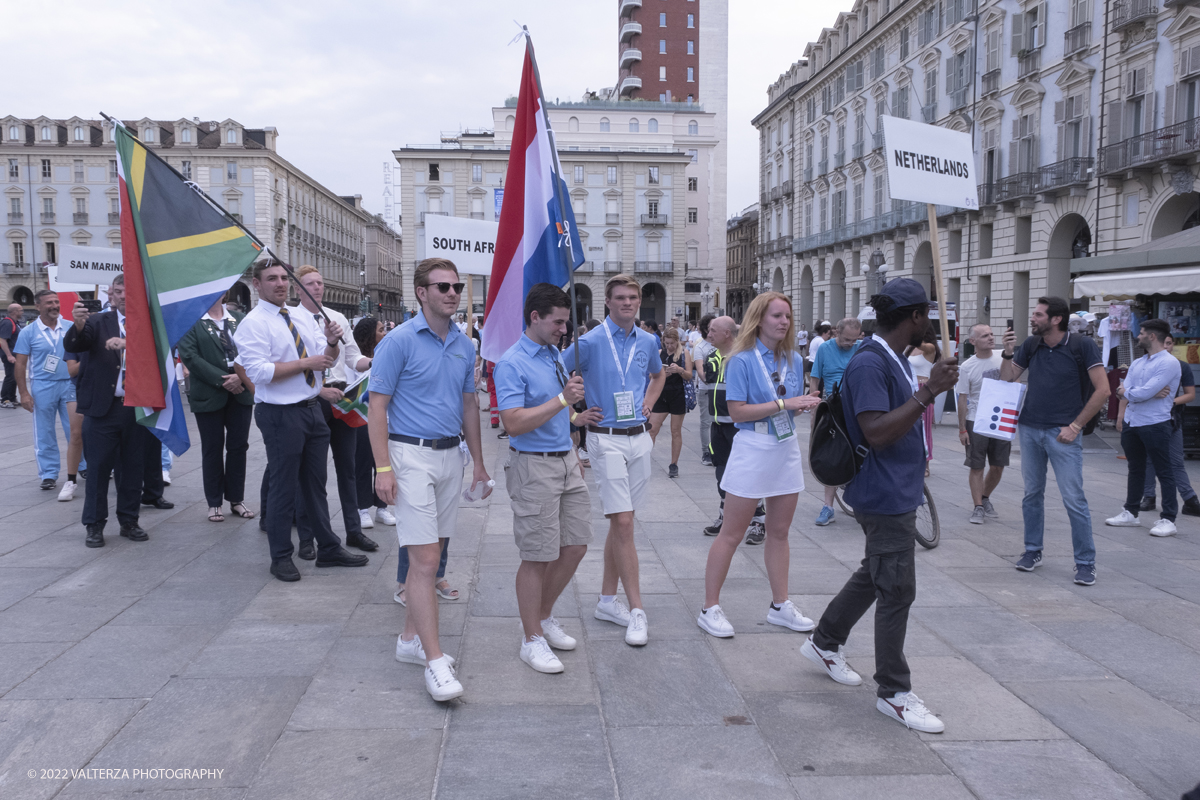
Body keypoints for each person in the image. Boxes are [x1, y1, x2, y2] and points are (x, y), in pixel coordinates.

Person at [801, 279, 958, 734]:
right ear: (913, 317)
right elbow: (876, 431)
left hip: (897, 487)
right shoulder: (870, 363)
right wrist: (928, 393)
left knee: (876, 573)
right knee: (897, 590)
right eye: (926, 313)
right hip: (883, 492)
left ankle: (825, 640)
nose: (930, 321)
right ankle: (894, 692)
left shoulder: (893, 358)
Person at [369, 257, 490, 702]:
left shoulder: (464, 344)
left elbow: (470, 406)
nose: (452, 293)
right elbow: (376, 407)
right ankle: (435, 661)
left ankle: (409, 642)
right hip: (408, 455)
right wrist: (383, 468)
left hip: (449, 456)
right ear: (421, 292)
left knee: (434, 554)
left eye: (456, 286)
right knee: (423, 562)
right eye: (443, 287)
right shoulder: (398, 341)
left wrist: (478, 462)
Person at [234, 258, 370, 582]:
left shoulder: (298, 316)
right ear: (257, 284)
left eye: (283, 277)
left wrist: (333, 342)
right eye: (272, 279)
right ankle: (281, 555)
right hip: (281, 413)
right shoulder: (253, 324)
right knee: (284, 485)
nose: (280, 283)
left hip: (311, 407)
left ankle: (327, 547)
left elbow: (326, 361)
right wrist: (305, 361)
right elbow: (259, 373)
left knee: (315, 483)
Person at [697, 293, 821, 639]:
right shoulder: (741, 360)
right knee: (733, 532)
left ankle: (780, 604)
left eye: (787, 316)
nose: (783, 322)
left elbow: (789, 407)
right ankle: (710, 606)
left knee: (779, 532)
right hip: (752, 446)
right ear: (759, 318)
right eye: (776, 316)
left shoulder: (794, 360)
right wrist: (785, 402)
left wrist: (804, 405)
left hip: (784, 445)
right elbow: (736, 411)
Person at [495, 284, 603, 673]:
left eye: (566, 321)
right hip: (532, 465)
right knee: (537, 555)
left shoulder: (555, 354)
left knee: (575, 545)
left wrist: (575, 417)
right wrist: (562, 400)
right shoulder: (512, 362)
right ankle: (531, 639)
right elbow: (513, 423)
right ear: (534, 318)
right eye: (557, 322)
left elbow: (557, 409)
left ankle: (542, 617)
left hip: (566, 460)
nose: (564, 328)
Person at [563, 273, 666, 647]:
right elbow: (554, 377)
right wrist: (573, 415)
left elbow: (658, 376)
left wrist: (649, 404)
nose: (627, 303)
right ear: (607, 302)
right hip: (605, 440)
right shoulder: (587, 342)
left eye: (633, 298)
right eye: (620, 298)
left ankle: (607, 600)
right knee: (623, 523)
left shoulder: (649, 340)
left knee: (623, 522)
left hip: (639, 438)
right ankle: (636, 609)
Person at [1001, 296, 1109, 586]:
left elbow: (1103, 390)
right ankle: (1032, 551)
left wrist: (1075, 426)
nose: (1032, 318)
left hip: (1063, 432)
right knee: (1031, 494)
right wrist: (1008, 353)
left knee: (1074, 499)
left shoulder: (1081, 346)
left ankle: (1085, 563)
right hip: (1030, 428)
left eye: (1037, 314)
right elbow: (1008, 379)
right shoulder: (1031, 344)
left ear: (1056, 319)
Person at [292, 265, 378, 557]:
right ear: (298, 289)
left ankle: (353, 531)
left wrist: (375, 362)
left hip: (343, 397)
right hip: (312, 399)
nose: (316, 287)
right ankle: (307, 538)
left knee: (349, 468)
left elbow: (354, 358)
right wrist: (319, 391)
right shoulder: (291, 319)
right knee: (312, 473)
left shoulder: (338, 317)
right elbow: (294, 368)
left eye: (319, 282)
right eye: (310, 283)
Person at [63, 276, 149, 548]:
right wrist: (78, 323)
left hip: (136, 407)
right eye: (119, 291)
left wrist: (130, 344)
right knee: (99, 468)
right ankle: (94, 524)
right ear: (111, 293)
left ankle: (129, 520)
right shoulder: (96, 321)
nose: (124, 296)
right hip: (103, 409)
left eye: (130, 291)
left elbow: (160, 352)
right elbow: (77, 343)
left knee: (133, 468)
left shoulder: (147, 324)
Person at [177, 294, 255, 523]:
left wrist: (240, 378)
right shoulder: (191, 320)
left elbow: (254, 351)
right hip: (209, 393)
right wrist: (223, 380)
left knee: (239, 446)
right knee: (212, 448)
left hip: (241, 392)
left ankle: (236, 499)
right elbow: (190, 357)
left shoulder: (240, 318)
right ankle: (214, 502)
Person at [1105, 318, 1182, 537]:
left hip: (1156, 423)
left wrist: (1133, 393)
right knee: (1135, 468)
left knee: (1164, 470)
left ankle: (1168, 519)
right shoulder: (1138, 362)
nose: (1138, 336)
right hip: (1133, 422)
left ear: (1152, 336)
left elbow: (1136, 392)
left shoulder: (1168, 363)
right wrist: (1135, 393)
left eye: (1141, 333)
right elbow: (1122, 389)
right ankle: (1131, 512)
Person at [702, 316, 768, 544]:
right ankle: (725, 517)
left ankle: (759, 521)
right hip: (718, 424)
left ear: (727, 333)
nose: (708, 334)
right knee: (722, 475)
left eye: (712, 331)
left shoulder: (744, 358)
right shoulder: (712, 357)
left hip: (740, 427)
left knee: (747, 476)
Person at [14, 290, 83, 498]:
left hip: (70, 384)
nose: (54, 306)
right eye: (49, 303)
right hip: (43, 385)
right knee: (44, 431)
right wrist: (24, 393)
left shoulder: (71, 327)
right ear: (37, 306)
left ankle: (83, 465)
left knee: (76, 429)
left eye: (56, 302)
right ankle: (49, 474)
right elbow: (20, 363)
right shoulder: (29, 332)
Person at [1138, 334, 1200, 517]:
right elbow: (1135, 391)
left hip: (1173, 419)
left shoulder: (1181, 366)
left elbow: (1190, 395)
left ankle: (1190, 499)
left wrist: (1170, 401)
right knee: (1149, 459)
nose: (1166, 346)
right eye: (1163, 343)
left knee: (1176, 460)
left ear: (1173, 346)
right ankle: (1148, 496)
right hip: (1149, 419)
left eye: (1169, 343)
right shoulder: (1144, 365)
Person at [809, 317, 862, 526]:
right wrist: (814, 406)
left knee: (859, 453)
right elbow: (815, 379)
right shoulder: (824, 349)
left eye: (854, 340)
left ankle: (860, 500)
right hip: (832, 406)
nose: (850, 344)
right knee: (831, 456)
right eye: (847, 339)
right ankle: (828, 506)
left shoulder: (860, 349)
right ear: (836, 332)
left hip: (856, 406)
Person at [955, 324, 1009, 525]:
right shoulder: (967, 367)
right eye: (985, 335)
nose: (991, 337)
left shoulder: (1004, 356)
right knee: (977, 465)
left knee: (998, 466)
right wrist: (962, 429)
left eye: (992, 334)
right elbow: (962, 399)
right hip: (976, 420)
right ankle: (978, 506)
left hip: (1000, 418)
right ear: (973, 341)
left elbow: (1013, 381)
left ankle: (985, 497)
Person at [351, 316, 397, 529]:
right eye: (380, 330)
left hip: (387, 419)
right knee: (362, 464)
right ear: (369, 335)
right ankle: (362, 509)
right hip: (361, 418)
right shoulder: (356, 360)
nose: (384, 333)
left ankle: (382, 507)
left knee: (383, 464)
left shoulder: (388, 356)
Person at [648, 326, 693, 478]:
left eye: (672, 343)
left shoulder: (684, 353)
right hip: (661, 394)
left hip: (678, 395)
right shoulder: (660, 353)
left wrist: (679, 370)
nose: (669, 346)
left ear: (677, 342)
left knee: (675, 431)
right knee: (652, 429)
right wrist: (663, 375)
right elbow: (650, 376)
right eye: (666, 343)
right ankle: (644, 460)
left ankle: (674, 464)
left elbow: (689, 376)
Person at [906, 326, 939, 477]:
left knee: (924, 427)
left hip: (923, 387)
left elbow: (921, 345)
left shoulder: (929, 348)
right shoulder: (909, 349)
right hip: (910, 387)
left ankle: (926, 462)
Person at [694, 314, 717, 466]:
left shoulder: (722, 344)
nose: (712, 331)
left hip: (722, 390)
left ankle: (718, 449)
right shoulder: (700, 347)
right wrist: (710, 380)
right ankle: (706, 452)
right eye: (710, 328)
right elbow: (701, 371)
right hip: (706, 390)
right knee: (706, 422)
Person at [0, 302, 23, 408]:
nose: (22, 312)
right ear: (15, 311)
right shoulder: (8, 323)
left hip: (14, 354)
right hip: (9, 354)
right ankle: (4, 399)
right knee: (11, 376)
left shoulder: (14, 322)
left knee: (15, 376)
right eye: (21, 310)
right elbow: (2, 340)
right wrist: (9, 355)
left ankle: (12, 398)